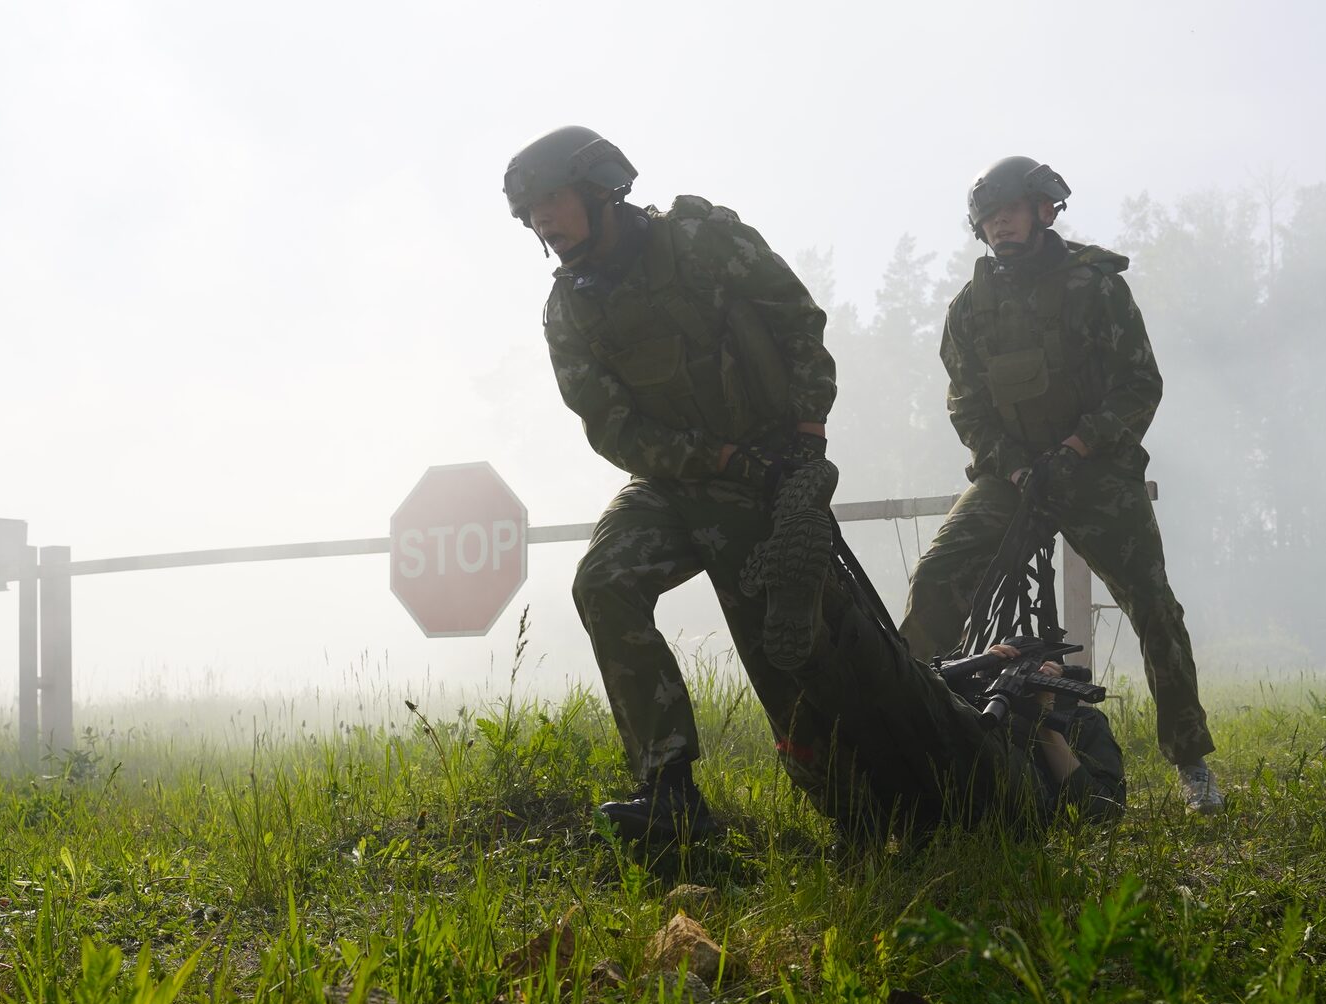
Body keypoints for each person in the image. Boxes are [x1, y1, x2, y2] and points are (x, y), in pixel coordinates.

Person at [503, 126, 839, 844]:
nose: (543, 221)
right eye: (531, 212)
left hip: (769, 475)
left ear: (600, 188)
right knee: (603, 582)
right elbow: (610, 426)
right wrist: (712, 458)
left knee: (786, 660)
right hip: (674, 481)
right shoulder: (568, 309)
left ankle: (856, 806)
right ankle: (669, 793)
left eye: (552, 200)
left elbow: (796, 320)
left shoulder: (700, 241)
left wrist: (807, 441)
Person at [899, 156, 1223, 814]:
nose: (1000, 225)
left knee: (1154, 608)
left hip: (1094, 471)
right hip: (1013, 476)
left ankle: (1192, 765)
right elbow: (966, 407)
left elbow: (1139, 384)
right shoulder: (970, 309)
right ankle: (908, 739)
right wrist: (1015, 465)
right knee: (937, 577)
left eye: (1011, 212)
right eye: (990, 217)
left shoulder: (1093, 286)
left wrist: (1079, 446)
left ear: (1043, 211)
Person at [779, 567, 1125, 846]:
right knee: (834, 702)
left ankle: (834, 603)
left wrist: (1046, 723)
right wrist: (978, 667)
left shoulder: (1083, 722)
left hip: (1015, 801)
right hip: (924, 791)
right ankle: (806, 610)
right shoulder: (970, 691)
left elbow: (1102, 813)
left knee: (904, 680)